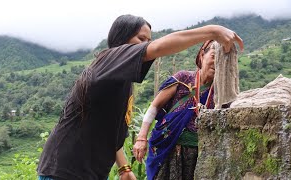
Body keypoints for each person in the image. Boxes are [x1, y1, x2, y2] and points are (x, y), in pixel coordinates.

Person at [37, 14, 243, 180]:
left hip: (90, 172)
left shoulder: (121, 83)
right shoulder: (108, 59)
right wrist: (212, 31)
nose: (146, 45)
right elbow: (159, 49)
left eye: (148, 40)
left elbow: (113, 134)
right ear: (121, 39)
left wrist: (124, 169)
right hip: (63, 170)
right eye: (140, 39)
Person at [133, 40, 221, 180]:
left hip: (198, 156)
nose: (217, 62)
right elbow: (154, 107)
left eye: (223, 59)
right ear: (202, 55)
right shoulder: (183, 78)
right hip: (168, 150)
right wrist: (142, 138)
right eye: (214, 56)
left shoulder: (221, 92)